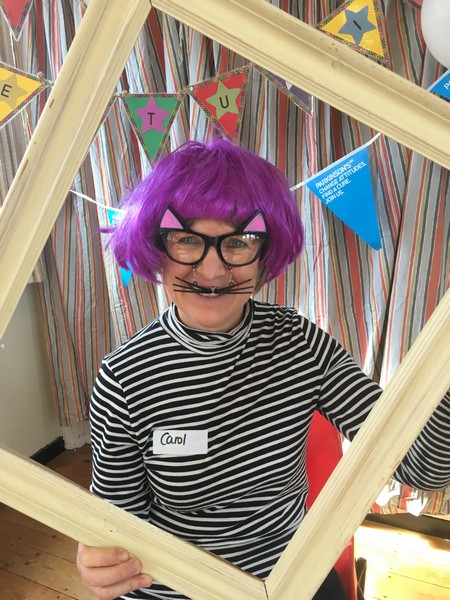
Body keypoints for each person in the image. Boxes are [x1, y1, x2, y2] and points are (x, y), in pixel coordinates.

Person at [77, 139, 450, 600]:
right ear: (157, 245)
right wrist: (103, 562)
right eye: (187, 238)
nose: (211, 270)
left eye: (239, 242)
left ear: (265, 252)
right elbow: (118, 528)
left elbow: (421, 466)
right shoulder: (124, 377)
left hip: (293, 578)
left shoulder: (300, 344)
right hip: (180, 591)